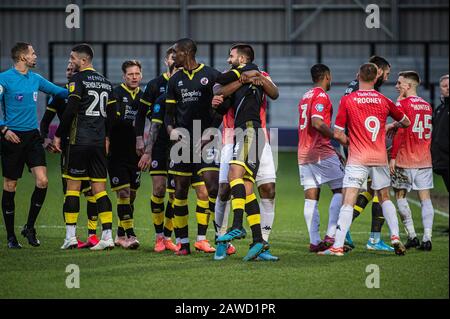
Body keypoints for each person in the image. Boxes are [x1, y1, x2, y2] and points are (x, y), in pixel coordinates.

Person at [319, 63, 410, 256]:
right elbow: (406, 122)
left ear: (358, 76)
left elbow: (337, 133)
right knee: (384, 197)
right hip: (379, 157)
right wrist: (393, 125)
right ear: (376, 78)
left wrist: (350, 143)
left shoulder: (348, 100)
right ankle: (395, 236)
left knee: (348, 201)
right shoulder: (384, 100)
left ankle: (337, 246)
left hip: (357, 157)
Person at [212, 43, 280, 261]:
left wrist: (256, 77)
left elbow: (274, 92)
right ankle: (222, 240)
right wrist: (242, 79)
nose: (227, 60)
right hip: (231, 138)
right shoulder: (229, 75)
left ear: (241, 58)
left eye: (230, 56)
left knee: (267, 189)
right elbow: (218, 92)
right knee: (225, 190)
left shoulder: (260, 73)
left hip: (257, 136)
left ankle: (261, 242)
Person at [0, 42, 68, 248]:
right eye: (32, 53)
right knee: (10, 185)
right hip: (11, 137)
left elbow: (60, 92)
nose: (35, 56)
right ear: (22, 58)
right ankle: (11, 237)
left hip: (32, 137)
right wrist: (3, 129)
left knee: (43, 181)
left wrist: (83, 86)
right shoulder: (3, 79)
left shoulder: (35, 78)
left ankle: (29, 227)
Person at [52, 43, 115, 251]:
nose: (70, 62)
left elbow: (71, 109)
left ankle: (70, 237)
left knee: (73, 188)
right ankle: (107, 236)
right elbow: (113, 117)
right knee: (100, 190)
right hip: (98, 143)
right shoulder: (106, 83)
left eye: (72, 58)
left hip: (79, 141)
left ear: (83, 60)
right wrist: (106, 138)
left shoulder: (77, 79)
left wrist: (59, 134)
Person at [165, 38, 221, 255]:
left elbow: (221, 108)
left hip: (207, 140)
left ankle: (219, 238)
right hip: (182, 142)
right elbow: (168, 117)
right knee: (179, 190)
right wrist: (172, 132)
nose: (173, 57)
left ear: (187, 52)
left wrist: (211, 131)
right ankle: (183, 242)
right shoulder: (174, 80)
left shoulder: (211, 74)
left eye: (176, 53)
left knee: (212, 187)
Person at [40, 62, 99, 248]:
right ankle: (70, 236)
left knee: (91, 192)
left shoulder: (89, 92)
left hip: (88, 146)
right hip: (68, 149)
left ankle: (92, 235)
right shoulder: (59, 95)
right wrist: (45, 138)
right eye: (67, 69)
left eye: (73, 69)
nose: (70, 71)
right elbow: (45, 122)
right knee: (70, 192)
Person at [344, 55, 394, 251]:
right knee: (377, 191)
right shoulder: (363, 90)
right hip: (361, 147)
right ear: (378, 71)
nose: (387, 79)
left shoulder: (355, 85)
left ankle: (370, 237)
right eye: (387, 74)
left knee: (372, 190)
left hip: (357, 145)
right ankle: (346, 231)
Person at [297, 64, 343, 252]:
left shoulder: (305, 96)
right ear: (327, 76)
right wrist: (336, 136)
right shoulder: (321, 96)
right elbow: (317, 122)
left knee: (311, 197)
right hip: (319, 152)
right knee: (342, 189)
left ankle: (314, 242)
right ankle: (331, 235)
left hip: (304, 152)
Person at [390, 71, 435, 251]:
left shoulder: (403, 103)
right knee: (426, 199)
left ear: (408, 86)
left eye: (399, 83)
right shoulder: (427, 105)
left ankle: (412, 236)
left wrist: (392, 157)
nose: (396, 86)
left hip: (405, 158)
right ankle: (427, 238)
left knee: (400, 196)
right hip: (424, 159)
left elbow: (401, 132)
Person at [107, 60, 146, 249]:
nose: (134, 77)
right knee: (122, 192)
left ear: (141, 75)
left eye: (137, 74)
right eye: (130, 74)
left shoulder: (144, 96)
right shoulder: (115, 94)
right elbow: (112, 122)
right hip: (117, 152)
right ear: (124, 76)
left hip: (136, 154)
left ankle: (120, 234)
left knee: (131, 195)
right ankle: (130, 235)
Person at [432, 74, 449, 192]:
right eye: (444, 86)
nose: (448, 88)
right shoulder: (439, 109)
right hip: (442, 162)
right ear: (440, 89)